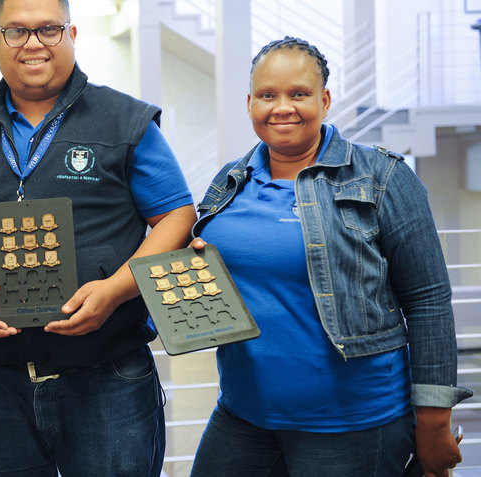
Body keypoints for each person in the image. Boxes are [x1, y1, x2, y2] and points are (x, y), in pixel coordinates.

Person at [0, 0, 197, 477]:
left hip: (105, 376)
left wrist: (113, 290)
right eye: (18, 31)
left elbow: (176, 216)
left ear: (72, 35)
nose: (34, 43)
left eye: (49, 29)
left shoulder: (123, 121)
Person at [188, 36, 472, 477]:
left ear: (324, 100)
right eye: (267, 95)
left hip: (352, 423)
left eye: (298, 94)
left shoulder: (383, 178)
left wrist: (435, 422)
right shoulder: (231, 179)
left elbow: (428, 301)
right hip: (244, 412)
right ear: (249, 104)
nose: (282, 107)